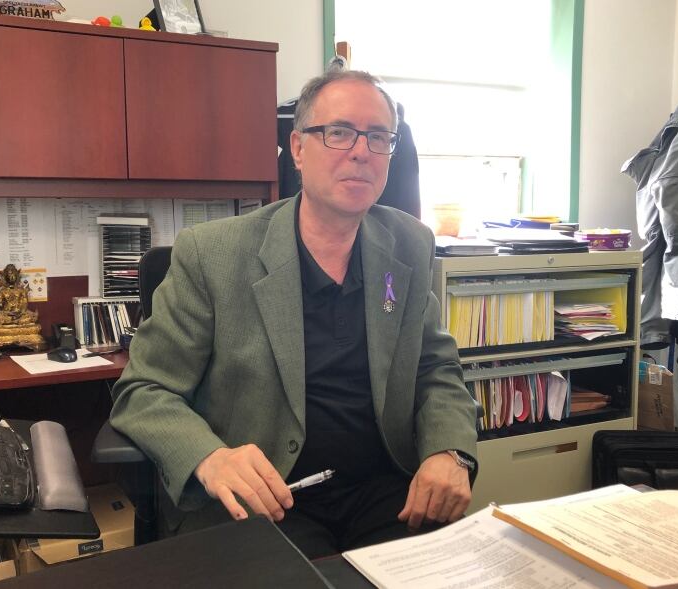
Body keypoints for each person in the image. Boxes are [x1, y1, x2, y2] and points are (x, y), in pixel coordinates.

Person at [110, 70, 478, 558]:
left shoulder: (409, 243)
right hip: (269, 505)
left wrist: (449, 451)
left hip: (389, 494)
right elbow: (144, 390)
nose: (361, 151)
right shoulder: (213, 254)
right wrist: (211, 457)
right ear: (299, 149)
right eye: (340, 132)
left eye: (379, 137)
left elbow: (436, 367)